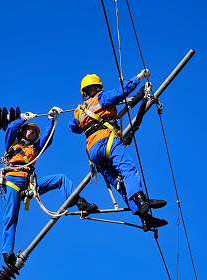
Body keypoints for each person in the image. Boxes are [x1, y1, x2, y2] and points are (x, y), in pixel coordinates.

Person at [68, 70, 168, 232]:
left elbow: (73, 127)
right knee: (128, 171)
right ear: (96, 88)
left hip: (94, 152)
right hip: (107, 140)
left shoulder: (79, 110)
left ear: (85, 91)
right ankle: (142, 201)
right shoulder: (102, 97)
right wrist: (138, 78)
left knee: (120, 184)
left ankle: (145, 218)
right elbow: (121, 92)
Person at [0, 106, 98, 265]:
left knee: (60, 179)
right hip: (12, 181)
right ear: (23, 132)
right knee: (11, 215)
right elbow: (11, 127)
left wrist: (51, 120)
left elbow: (47, 139)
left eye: (33, 132)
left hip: (29, 183)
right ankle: (7, 252)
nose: (31, 133)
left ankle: (79, 202)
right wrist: (24, 119)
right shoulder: (12, 144)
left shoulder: (35, 148)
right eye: (28, 130)